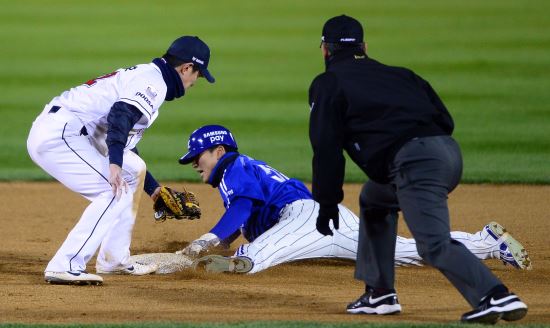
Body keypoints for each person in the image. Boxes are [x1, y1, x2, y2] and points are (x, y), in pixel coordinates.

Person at [308, 14, 528, 324]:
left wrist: (326, 202)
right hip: (449, 154)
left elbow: (327, 148)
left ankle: (495, 296)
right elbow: (445, 119)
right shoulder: (401, 74)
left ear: (324, 50)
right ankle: (380, 293)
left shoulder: (328, 83)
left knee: (432, 244)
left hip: (415, 163)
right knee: (375, 198)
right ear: (364, 47)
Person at [173, 125, 530, 277]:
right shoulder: (239, 174)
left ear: (219, 151)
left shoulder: (234, 166)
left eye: (197, 158)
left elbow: (243, 209)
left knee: (248, 259)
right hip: (329, 220)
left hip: (302, 218)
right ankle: (487, 242)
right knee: (399, 252)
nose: (194, 165)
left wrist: (204, 241)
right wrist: (217, 242)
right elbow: (241, 218)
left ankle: (245, 262)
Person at [27, 36, 215, 285]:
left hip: (68, 131)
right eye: (198, 75)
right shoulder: (153, 83)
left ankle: (113, 260)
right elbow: (120, 115)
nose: (194, 82)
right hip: (60, 133)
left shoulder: (150, 77)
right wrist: (113, 163)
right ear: (186, 68)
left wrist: (155, 191)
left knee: (133, 170)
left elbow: (125, 146)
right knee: (110, 189)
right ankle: (66, 264)